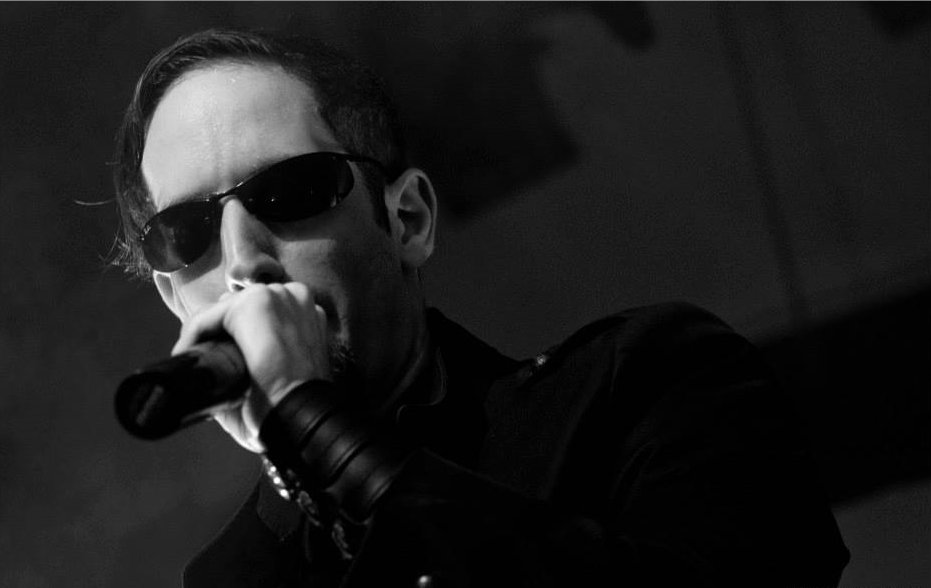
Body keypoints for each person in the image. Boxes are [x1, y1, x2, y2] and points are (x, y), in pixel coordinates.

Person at [112, 28, 849, 588]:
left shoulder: (640, 384)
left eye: (290, 191)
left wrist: (314, 425)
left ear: (407, 220)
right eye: (186, 233)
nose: (244, 262)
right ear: (173, 295)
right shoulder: (230, 579)